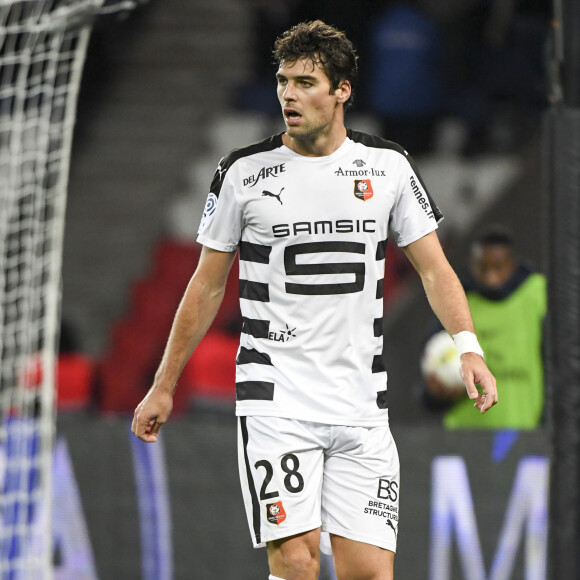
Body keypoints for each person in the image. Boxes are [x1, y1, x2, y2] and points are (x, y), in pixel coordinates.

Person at [132, 20, 497, 580]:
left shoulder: (388, 167)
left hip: (360, 403)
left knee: (369, 573)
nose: (288, 95)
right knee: (297, 561)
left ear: (341, 90)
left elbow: (435, 269)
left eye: (305, 82)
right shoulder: (243, 173)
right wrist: (163, 384)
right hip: (278, 398)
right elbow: (205, 286)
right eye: (282, 81)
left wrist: (468, 346)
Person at [422, 226, 546, 429]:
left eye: (498, 267)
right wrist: (436, 394)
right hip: (466, 437)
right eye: (483, 268)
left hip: (526, 434)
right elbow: (427, 390)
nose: (491, 277)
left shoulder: (537, 294)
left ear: (512, 264)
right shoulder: (457, 300)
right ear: (472, 265)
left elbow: (560, 365)